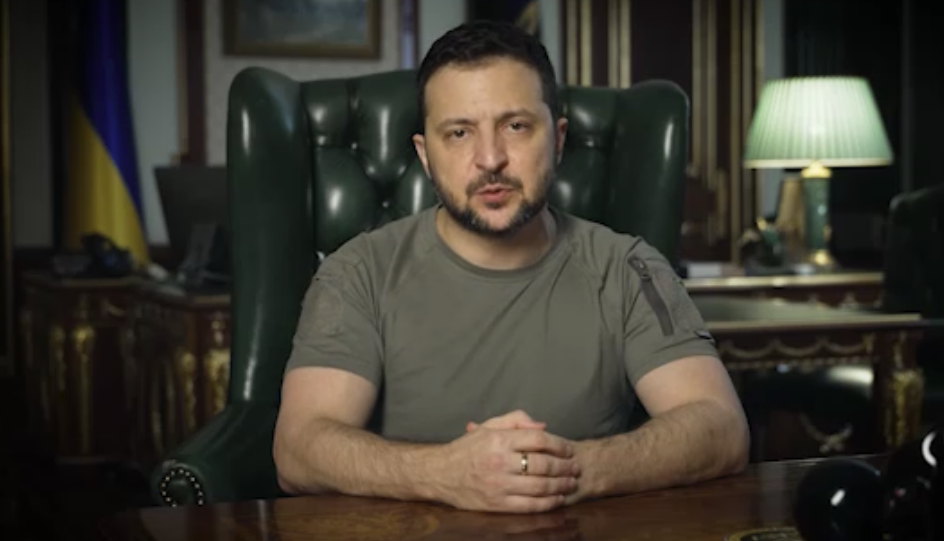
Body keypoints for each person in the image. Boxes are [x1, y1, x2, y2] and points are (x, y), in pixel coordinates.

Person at [273, 19, 749, 514]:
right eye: (459, 133)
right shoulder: (356, 273)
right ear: (425, 156)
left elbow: (721, 427)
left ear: (558, 140)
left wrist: (569, 471)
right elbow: (298, 449)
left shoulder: (630, 269)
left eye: (516, 126)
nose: (490, 159)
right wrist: (444, 474)